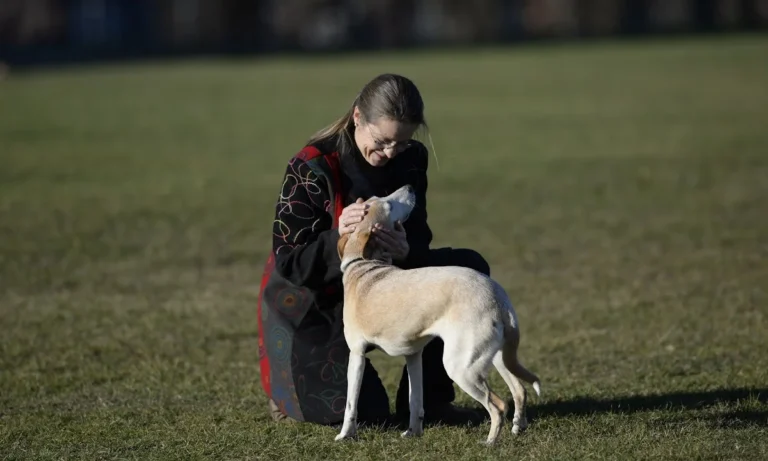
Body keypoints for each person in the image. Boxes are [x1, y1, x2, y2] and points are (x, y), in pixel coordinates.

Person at [257, 73, 491, 427]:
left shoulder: (411, 159)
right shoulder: (310, 166)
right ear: (357, 118)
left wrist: (406, 249)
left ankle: (431, 403)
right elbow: (290, 263)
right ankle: (289, 395)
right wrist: (339, 236)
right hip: (317, 300)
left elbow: (417, 237)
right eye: (381, 142)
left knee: (466, 269)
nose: (390, 153)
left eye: (401, 142)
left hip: (383, 287)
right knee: (370, 416)